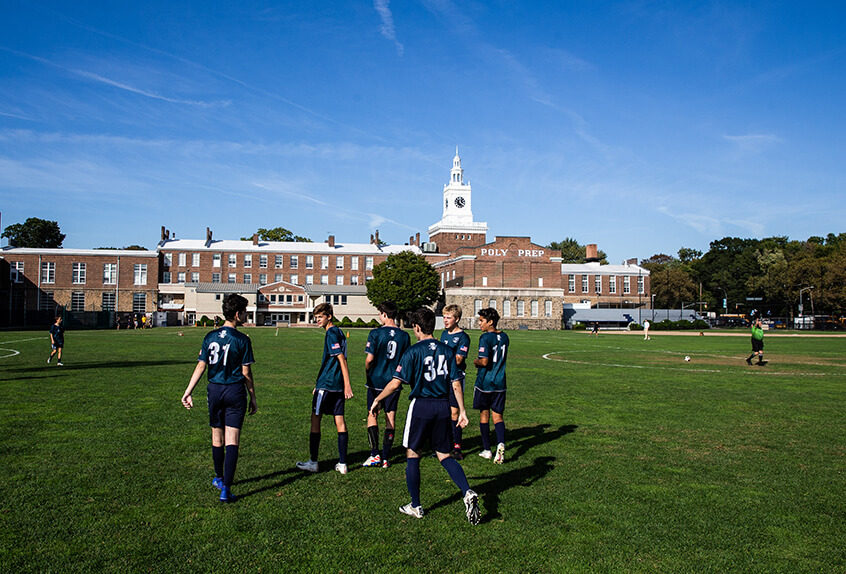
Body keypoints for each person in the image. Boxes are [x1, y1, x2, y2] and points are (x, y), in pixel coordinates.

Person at [369, 307, 480, 524]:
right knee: (444, 455)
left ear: (417, 327)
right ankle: (467, 491)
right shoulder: (447, 351)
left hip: (421, 406)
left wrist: (377, 398)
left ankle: (416, 505)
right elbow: (456, 383)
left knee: (412, 454)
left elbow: (395, 383)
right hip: (442, 407)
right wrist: (463, 411)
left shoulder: (412, 351)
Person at [181, 294, 257, 503]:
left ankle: (219, 478)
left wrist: (188, 391)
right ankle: (226, 490)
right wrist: (253, 397)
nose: (246, 315)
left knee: (217, 438)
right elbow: (246, 373)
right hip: (234, 391)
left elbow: (201, 366)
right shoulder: (242, 339)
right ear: (236, 314)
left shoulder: (209, 337)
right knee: (232, 440)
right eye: (244, 311)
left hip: (214, 390)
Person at [296, 303, 354, 474]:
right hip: (335, 385)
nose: (317, 320)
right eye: (316, 317)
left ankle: (313, 462)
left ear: (329, 316)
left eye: (320, 317)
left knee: (315, 419)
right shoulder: (339, 331)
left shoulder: (331, 333)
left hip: (328, 385)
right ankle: (343, 463)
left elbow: (341, 359)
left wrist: (348, 385)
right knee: (339, 421)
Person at [362, 301, 410, 468]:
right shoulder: (404, 336)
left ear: (384, 314)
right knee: (390, 417)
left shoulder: (375, 333)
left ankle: (374, 454)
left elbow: (369, 359)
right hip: (393, 382)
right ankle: (386, 458)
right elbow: (406, 361)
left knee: (372, 414)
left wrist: (368, 370)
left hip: (376, 381)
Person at [473, 307, 510, 464]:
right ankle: (500, 443)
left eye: (482, 321)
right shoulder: (505, 337)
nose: (479, 323)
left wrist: (476, 361)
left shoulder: (485, 338)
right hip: (500, 382)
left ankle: (487, 449)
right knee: (498, 416)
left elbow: (484, 361)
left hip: (485, 382)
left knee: (484, 414)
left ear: (490, 322)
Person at [439, 304, 471, 459]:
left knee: (454, 411)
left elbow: (458, 359)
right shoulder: (444, 334)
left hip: (456, 378)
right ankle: (444, 445)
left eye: (449, 317)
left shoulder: (463, 337)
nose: (445, 320)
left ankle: (457, 446)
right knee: (443, 411)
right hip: (442, 378)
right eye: (444, 317)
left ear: (457, 319)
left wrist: (443, 358)